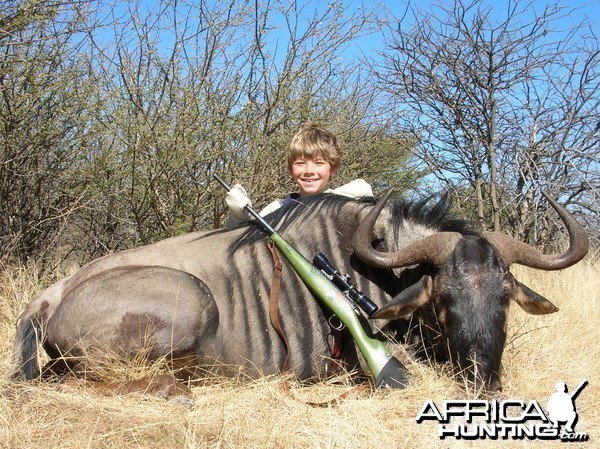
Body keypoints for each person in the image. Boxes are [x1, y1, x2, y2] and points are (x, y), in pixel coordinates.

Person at [225, 121, 373, 227]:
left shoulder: (348, 201)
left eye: (319, 163)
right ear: (290, 170)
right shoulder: (276, 208)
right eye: (300, 163)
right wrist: (239, 217)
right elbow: (242, 242)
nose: (309, 171)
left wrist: (327, 200)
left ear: (333, 168)